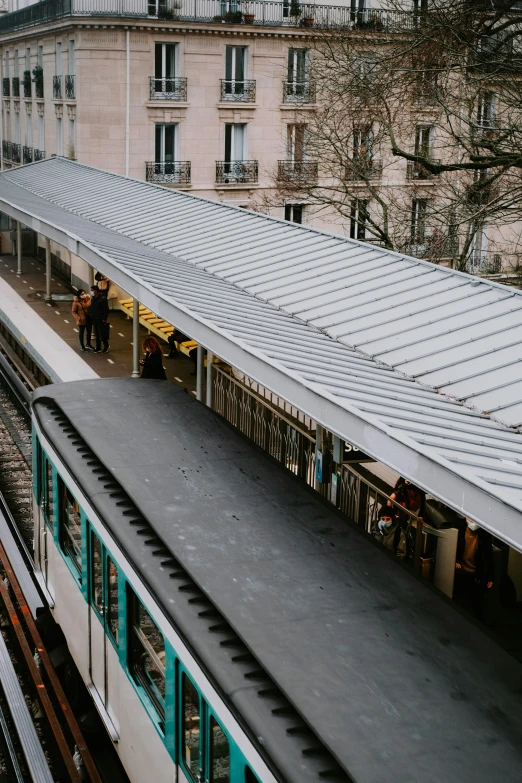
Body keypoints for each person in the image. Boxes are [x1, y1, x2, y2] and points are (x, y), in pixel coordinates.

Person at [454, 518, 495, 619]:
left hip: (476, 574)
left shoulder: (484, 535)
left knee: (476, 605)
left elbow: (488, 556)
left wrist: (490, 577)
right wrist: (454, 561)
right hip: (461, 571)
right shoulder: (460, 528)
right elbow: (454, 546)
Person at [90, 284, 110, 353]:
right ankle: (98, 347)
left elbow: (106, 309)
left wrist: (104, 318)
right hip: (95, 318)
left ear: (96, 290)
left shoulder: (102, 299)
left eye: (92, 290)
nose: (91, 292)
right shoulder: (93, 298)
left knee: (102, 333)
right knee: (97, 334)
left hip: (101, 319)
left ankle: (106, 346)